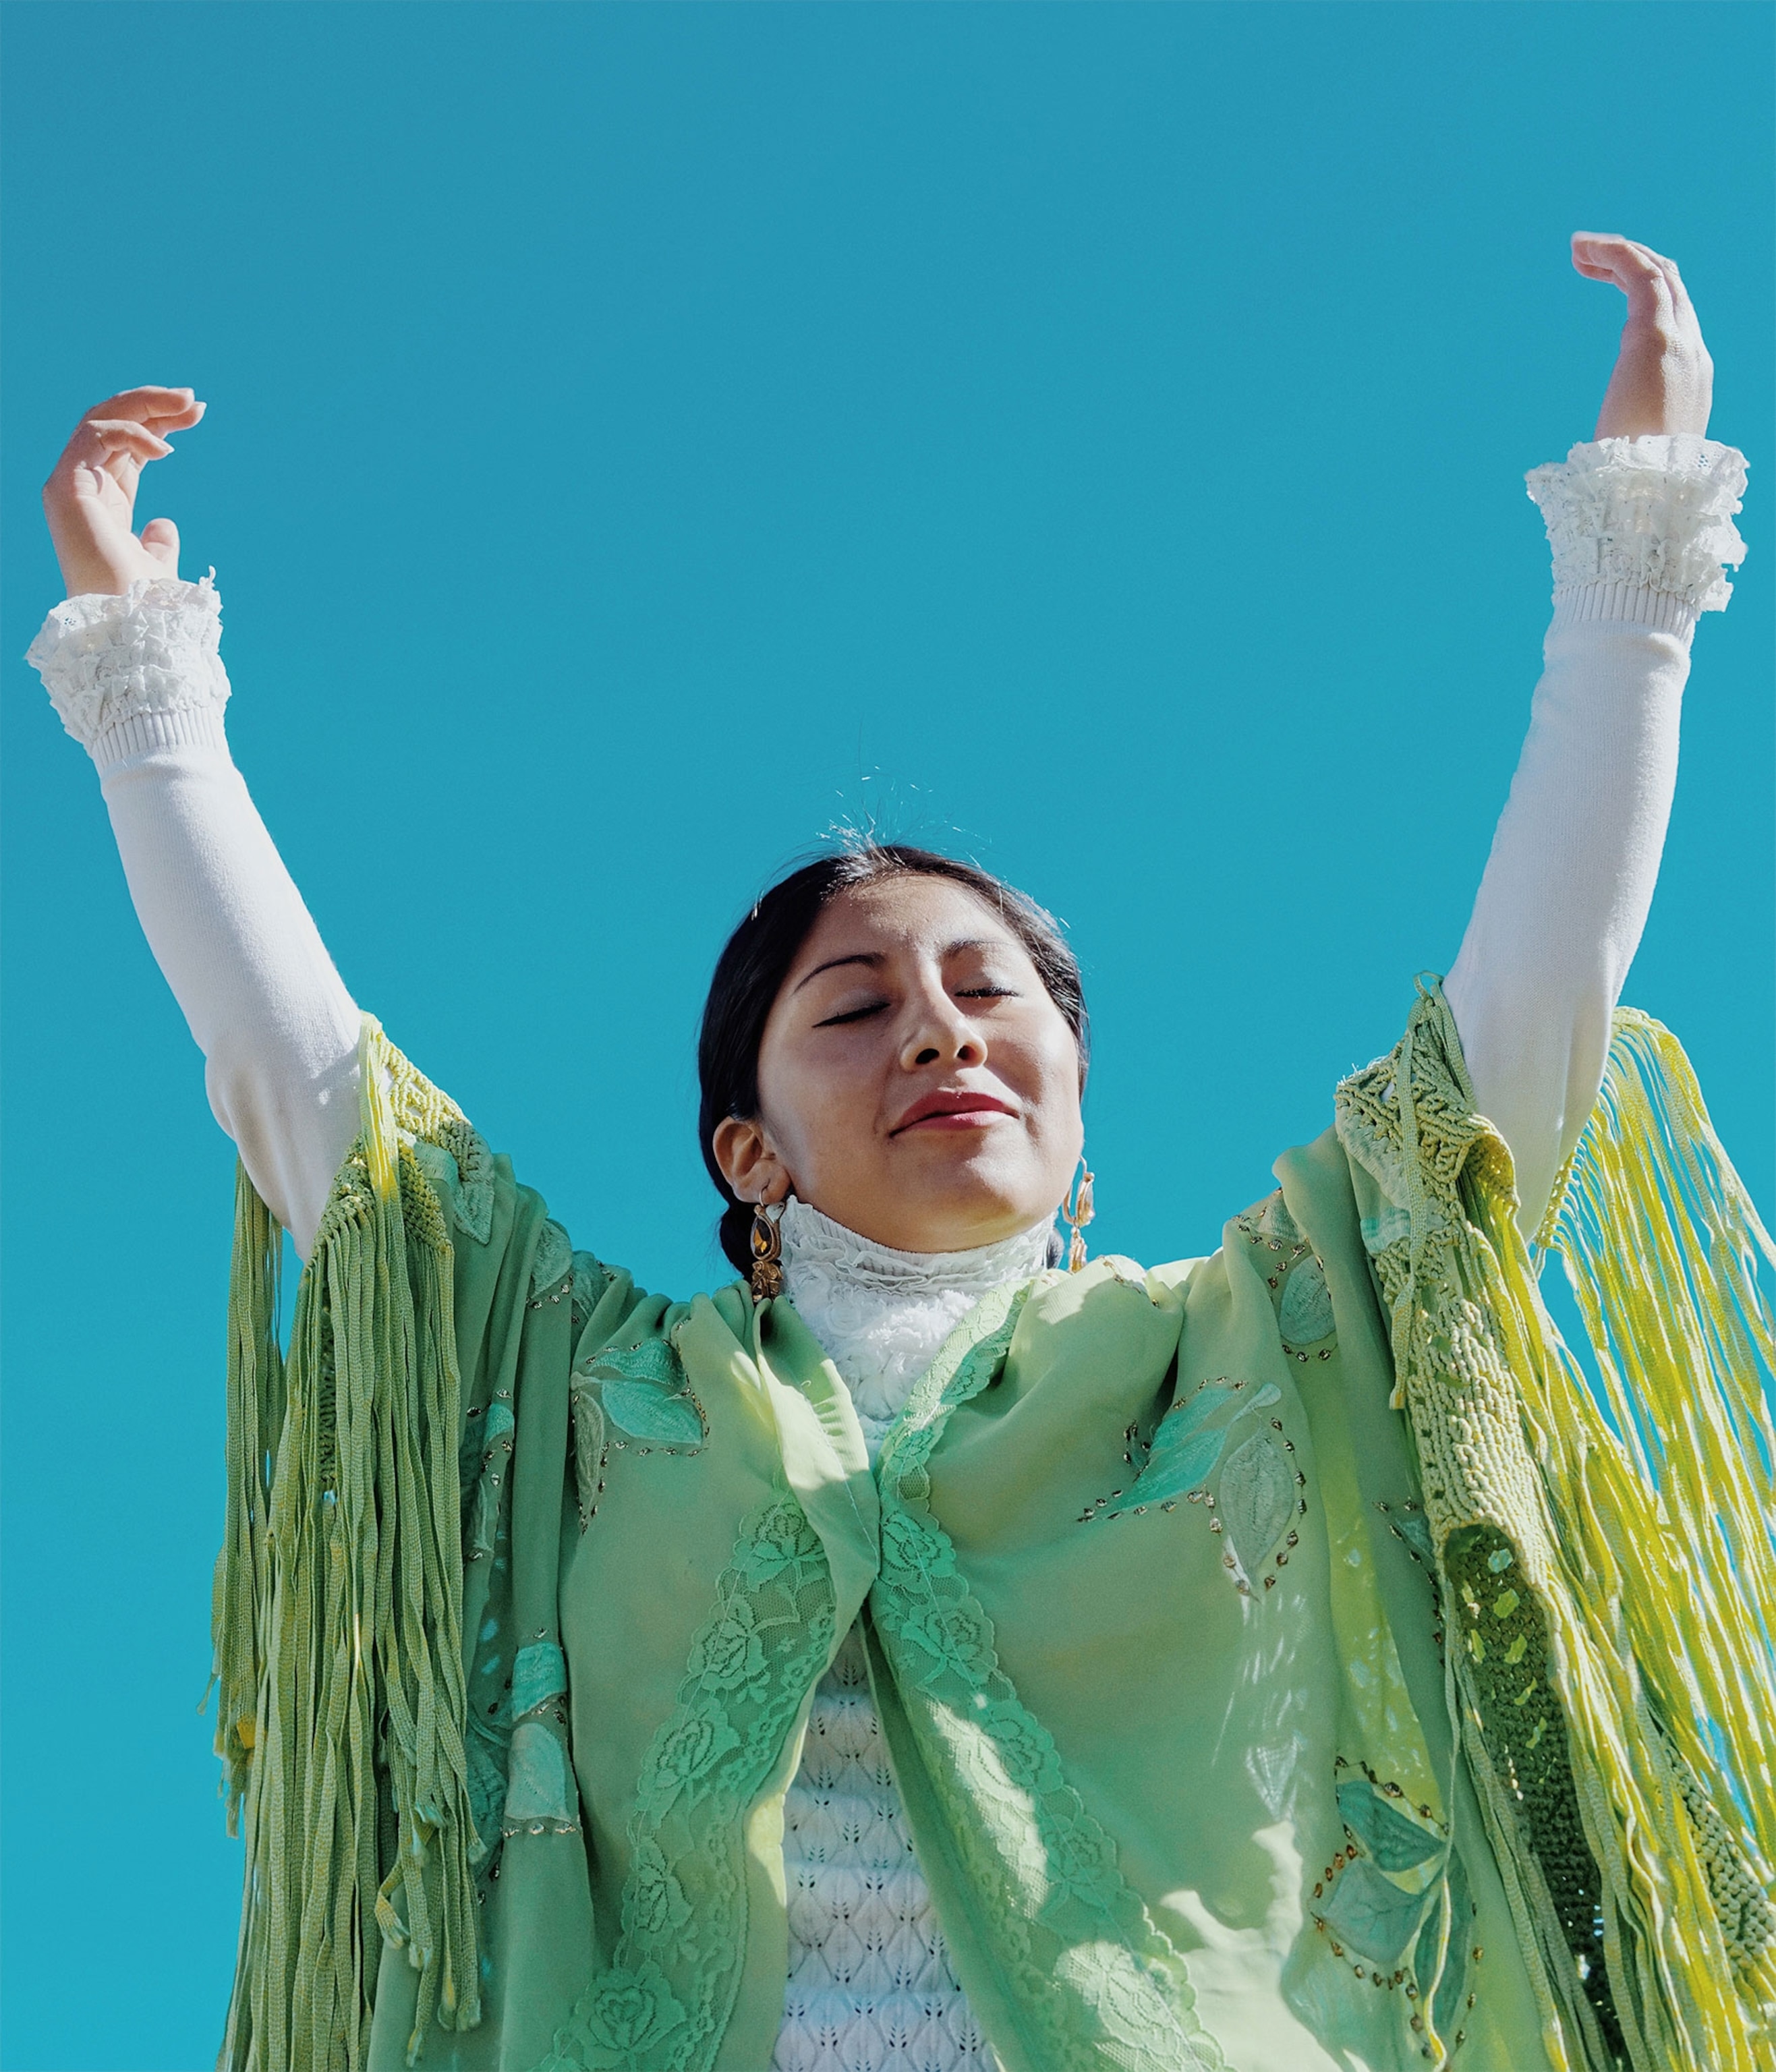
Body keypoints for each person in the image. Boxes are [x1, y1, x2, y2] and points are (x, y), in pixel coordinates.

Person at [27, 235, 1775, 2072]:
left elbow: (1522, 1023)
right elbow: (302, 1077)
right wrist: (151, 708)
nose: (940, 1030)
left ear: (1075, 1098)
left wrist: (1632, 577)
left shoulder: (1239, 1348)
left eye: (989, 991)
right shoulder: (587, 1389)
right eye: (855, 1008)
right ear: (748, 1152)